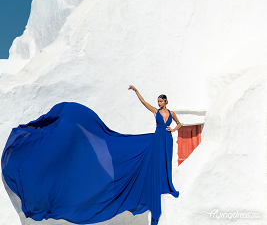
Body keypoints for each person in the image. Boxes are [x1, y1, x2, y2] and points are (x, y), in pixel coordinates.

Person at [1, 87, 182, 225]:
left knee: (163, 160)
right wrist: (136, 91)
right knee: (149, 155)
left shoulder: (170, 113)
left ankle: (166, 184)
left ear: (165, 102)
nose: (158, 103)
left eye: (161, 101)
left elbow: (180, 124)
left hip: (165, 137)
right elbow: (144, 103)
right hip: (157, 137)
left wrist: (172, 129)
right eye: (157, 101)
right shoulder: (156, 112)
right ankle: (161, 184)